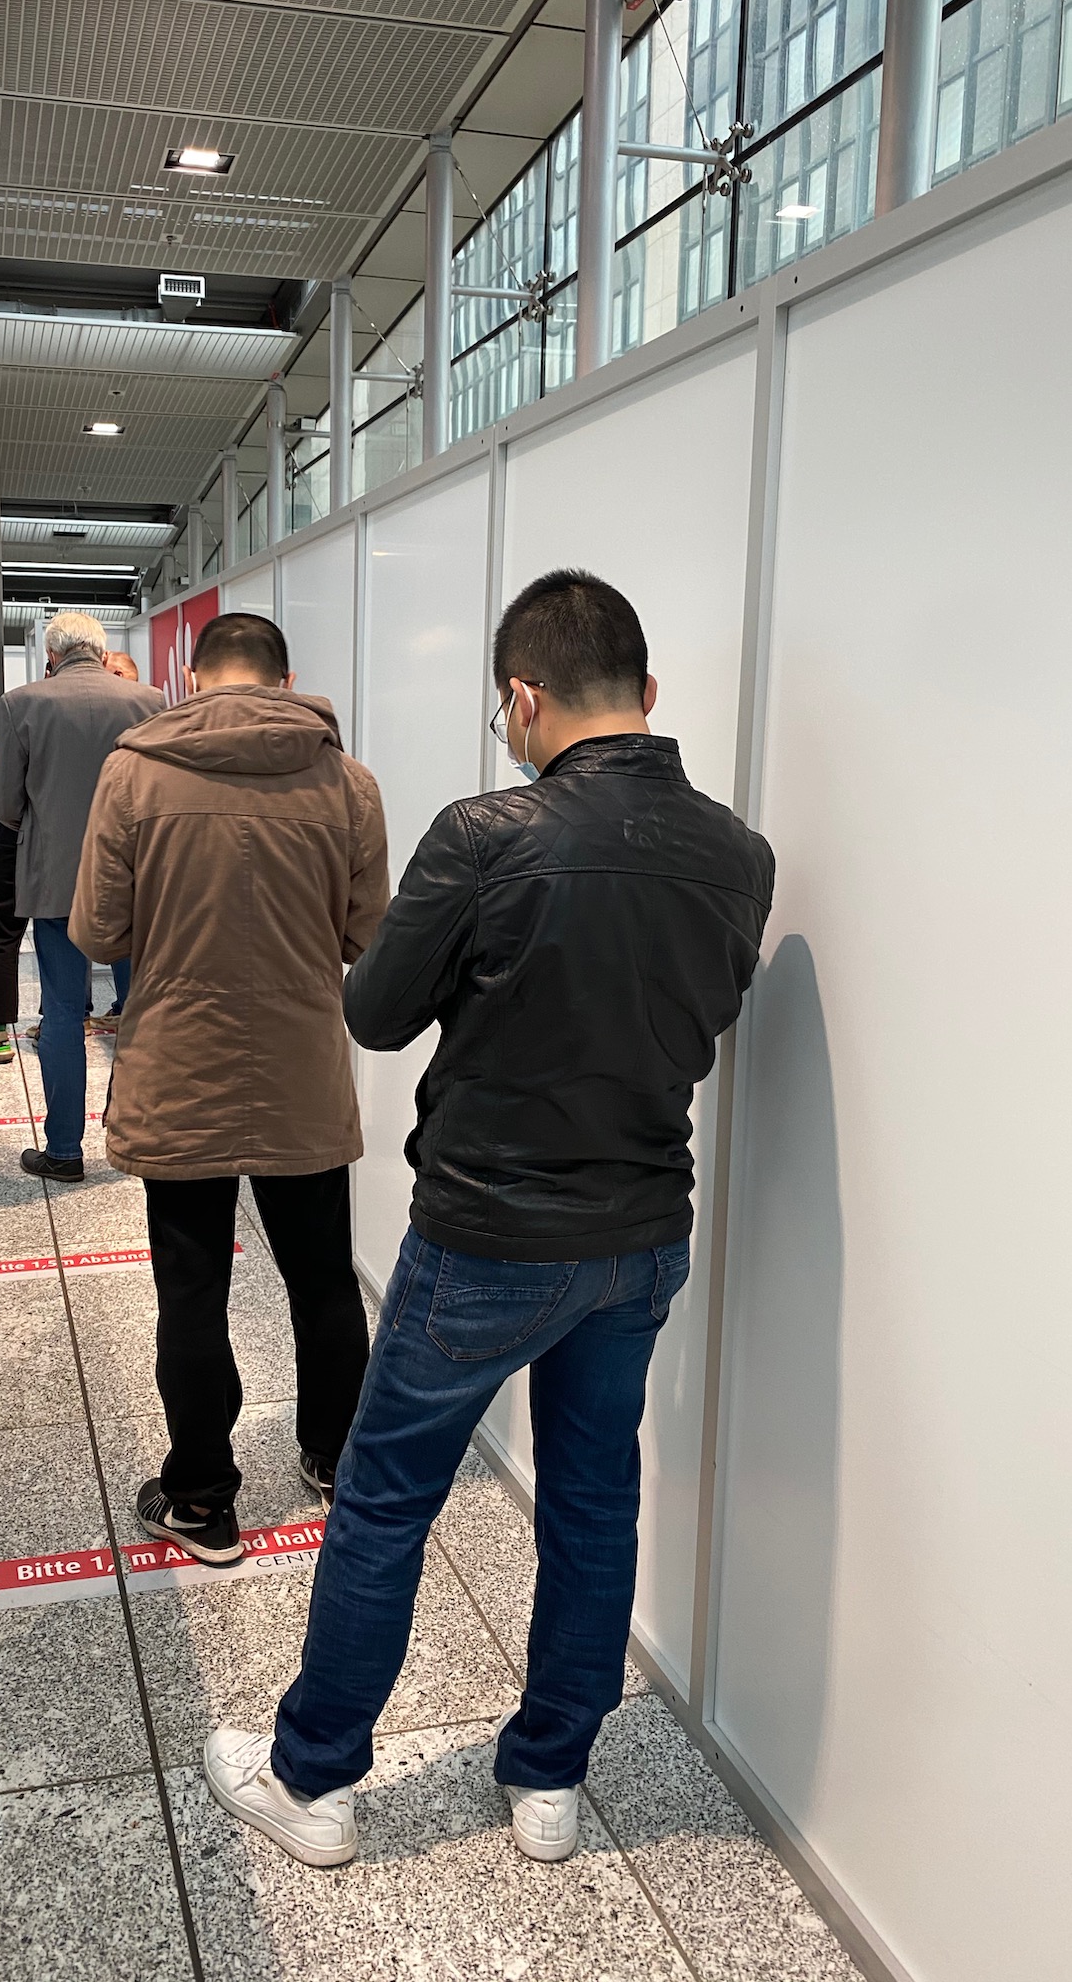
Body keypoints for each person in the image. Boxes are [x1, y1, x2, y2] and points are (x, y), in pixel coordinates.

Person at [202, 570, 775, 1870]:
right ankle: (551, 1781)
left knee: (387, 1494)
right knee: (590, 1497)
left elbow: (376, 1014)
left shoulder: (483, 831)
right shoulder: (738, 856)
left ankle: (311, 1783)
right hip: (640, 1237)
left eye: (505, 708)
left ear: (523, 697)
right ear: (648, 694)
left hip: (486, 1235)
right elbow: (705, 1012)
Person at [71, 613, 390, 1564]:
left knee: (192, 1286)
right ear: (288, 680)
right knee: (324, 1281)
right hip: (301, 1067)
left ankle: (202, 1499)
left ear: (191, 680)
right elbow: (368, 935)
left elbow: (97, 931)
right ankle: (336, 1461)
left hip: (179, 1066)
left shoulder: (133, 773)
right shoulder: (346, 782)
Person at [0, 611, 164, 1177]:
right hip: (136, 883)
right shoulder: (151, 702)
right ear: (101, 648)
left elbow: (6, 810)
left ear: (53, 653)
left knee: (63, 1010)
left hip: (56, 882)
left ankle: (64, 1150)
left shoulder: (22, 703)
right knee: (140, 1008)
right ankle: (137, 1134)